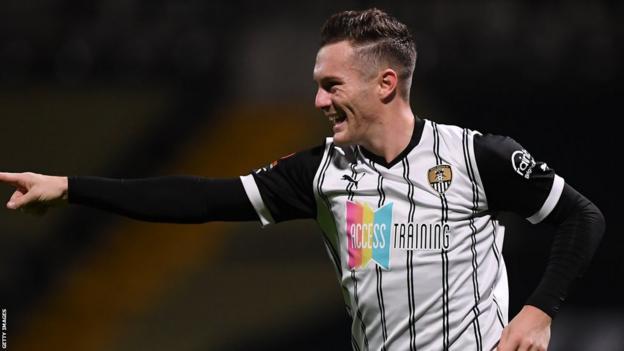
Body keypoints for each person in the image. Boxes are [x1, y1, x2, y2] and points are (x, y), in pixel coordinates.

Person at [0, 8, 605, 351]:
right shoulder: (321, 173)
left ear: (385, 84)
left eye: (330, 85)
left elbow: (583, 218)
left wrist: (537, 313)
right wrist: (73, 186)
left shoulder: (479, 158)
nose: (316, 100)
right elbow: (200, 199)